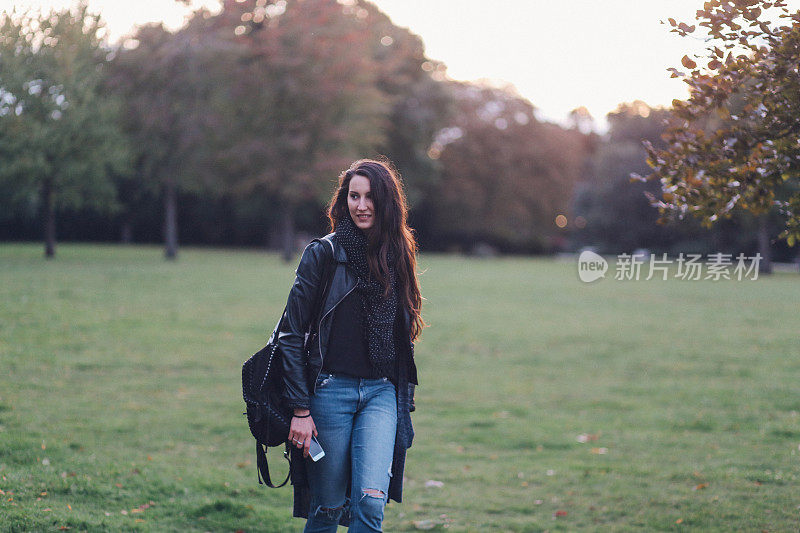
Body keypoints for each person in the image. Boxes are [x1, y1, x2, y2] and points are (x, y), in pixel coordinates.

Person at [279, 158, 424, 532]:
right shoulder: (323, 254)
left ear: (387, 201)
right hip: (329, 393)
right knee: (328, 507)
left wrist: (402, 395)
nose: (361, 205)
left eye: (370, 197)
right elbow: (290, 333)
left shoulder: (399, 254)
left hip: (381, 393)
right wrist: (299, 408)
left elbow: (404, 328)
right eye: (353, 196)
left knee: (371, 504)